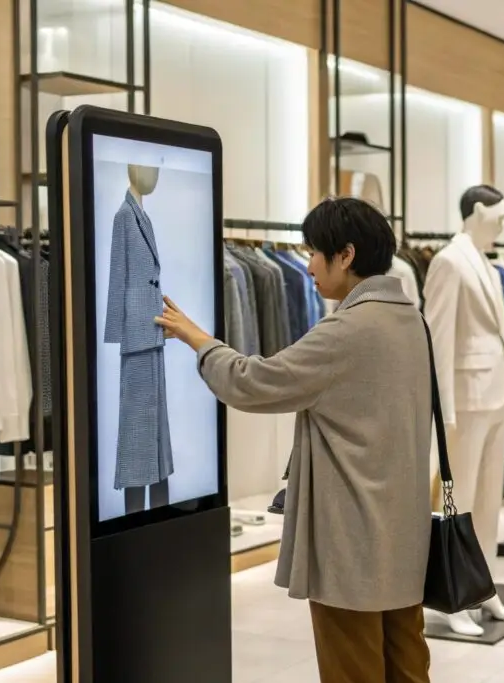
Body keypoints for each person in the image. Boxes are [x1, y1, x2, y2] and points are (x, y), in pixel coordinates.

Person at [156, 197, 432, 683]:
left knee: (352, 667)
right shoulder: (410, 318)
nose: (307, 266)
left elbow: (252, 382)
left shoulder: (346, 329)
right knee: (406, 663)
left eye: (315, 253)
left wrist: (199, 339)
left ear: (345, 256)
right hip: (403, 530)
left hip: (352, 537)